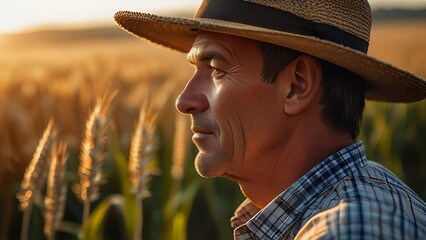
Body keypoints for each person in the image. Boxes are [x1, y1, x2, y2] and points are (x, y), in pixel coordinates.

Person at [115, 0, 426, 239]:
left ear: (296, 86)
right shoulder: (352, 196)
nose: (184, 101)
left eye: (217, 69)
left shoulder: (349, 230)